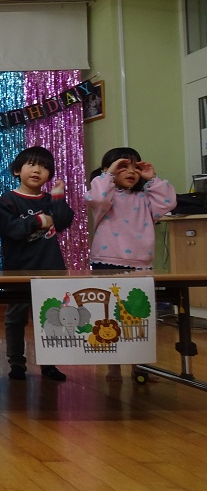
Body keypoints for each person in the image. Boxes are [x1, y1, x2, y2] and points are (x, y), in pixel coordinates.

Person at [86, 147, 176, 381]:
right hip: (108, 261)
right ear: (108, 171)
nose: (131, 171)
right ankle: (113, 367)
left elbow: (168, 202)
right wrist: (109, 173)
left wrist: (152, 178)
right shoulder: (106, 197)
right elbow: (97, 196)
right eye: (123, 166)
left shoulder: (145, 198)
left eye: (135, 167)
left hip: (140, 263)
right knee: (109, 317)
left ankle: (140, 367)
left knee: (139, 317)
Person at [0, 145, 75, 381]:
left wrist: (58, 197)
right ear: (17, 170)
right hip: (18, 270)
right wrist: (38, 221)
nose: (37, 170)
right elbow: (9, 230)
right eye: (31, 164)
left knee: (51, 317)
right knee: (16, 317)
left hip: (50, 269)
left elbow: (63, 221)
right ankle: (16, 362)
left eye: (44, 167)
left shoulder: (50, 200)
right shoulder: (8, 199)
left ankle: (49, 364)